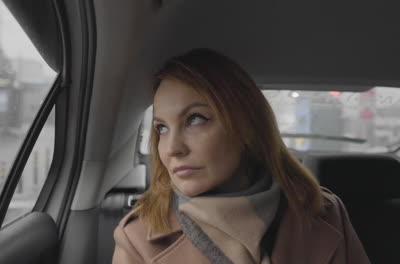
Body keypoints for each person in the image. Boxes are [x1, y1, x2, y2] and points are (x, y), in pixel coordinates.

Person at [112, 48, 370, 264]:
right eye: (162, 128)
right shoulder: (136, 237)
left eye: (195, 119)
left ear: (246, 125)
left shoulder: (324, 212)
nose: (172, 149)